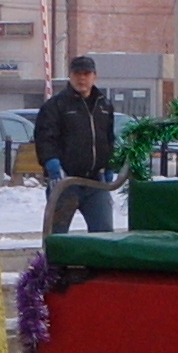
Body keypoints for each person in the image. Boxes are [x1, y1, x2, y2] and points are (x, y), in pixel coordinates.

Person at [33, 54, 118, 234]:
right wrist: (51, 162)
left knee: (104, 233)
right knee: (56, 234)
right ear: (70, 76)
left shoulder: (104, 105)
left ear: (94, 76)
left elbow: (108, 138)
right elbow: (45, 138)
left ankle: (99, 263)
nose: (81, 78)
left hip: (96, 182)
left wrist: (110, 163)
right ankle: (54, 263)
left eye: (86, 73)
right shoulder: (55, 106)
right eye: (77, 73)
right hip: (65, 182)